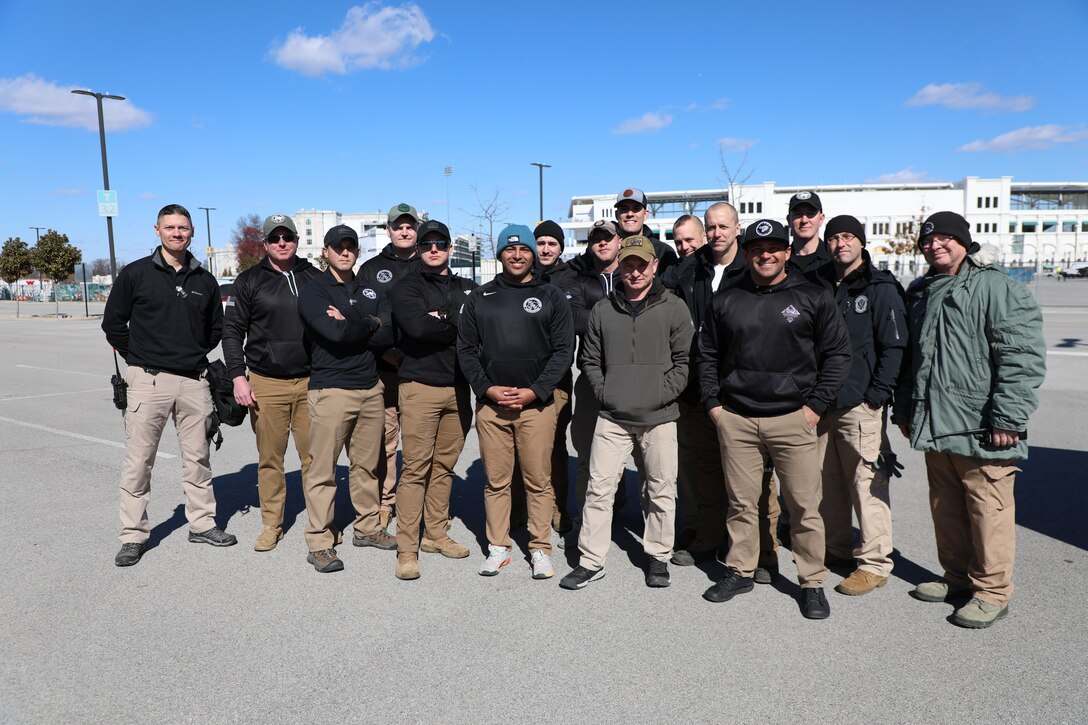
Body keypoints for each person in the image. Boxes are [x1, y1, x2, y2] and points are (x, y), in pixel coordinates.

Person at [893, 211, 1045, 628]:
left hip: (983, 424)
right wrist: (905, 410)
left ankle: (992, 592)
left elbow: (1021, 357)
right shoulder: (922, 292)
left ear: (963, 240)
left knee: (988, 509)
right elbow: (913, 362)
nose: (935, 245)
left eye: (945, 238)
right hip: (937, 422)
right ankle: (957, 577)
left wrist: (1009, 417)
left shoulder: (996, 287)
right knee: (946, 508)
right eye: (928, 240)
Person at [696, 219, 851, 619]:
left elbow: (838, 355)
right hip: (738, 419)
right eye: (757, 248)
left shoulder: (813, 297)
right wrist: (714, 404)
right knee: (742, 503)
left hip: (793, 419)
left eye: (774, 248)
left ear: (786, 252)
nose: (765, 254)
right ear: (746, 254)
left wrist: (815, 406)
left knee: (802, 505)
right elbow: (707, 355)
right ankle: (740, 570)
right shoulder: (726, 299)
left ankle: (812, 581)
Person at [103, 203, 235, 567]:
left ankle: (202, 523)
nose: (177, 233)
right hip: (149, 380)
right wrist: (140, 357)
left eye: (183, 228)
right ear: (157, 230)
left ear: (192, 232)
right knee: (139, 461)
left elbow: (214, 330)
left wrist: (188, 354)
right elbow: (113, 323)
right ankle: (133, 535)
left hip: (194, 381)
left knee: (198, 458)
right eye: (170, 227)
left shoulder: (204, 280)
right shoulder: (136, 274)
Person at [560, 236, 692, 590]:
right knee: (598, 490)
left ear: (654, 266)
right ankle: (591, 560)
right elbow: (589, 359)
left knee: (660, 489)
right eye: (628, 265)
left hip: (659, 417)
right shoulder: (604, 309)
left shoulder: (674, 307)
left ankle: (658, 557)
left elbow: (685, 361)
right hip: (613, 416)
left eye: (641, 265)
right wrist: (608, 394)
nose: (634, 272)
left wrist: (659, 395)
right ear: (620, 267)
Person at [663, 203, 780, 580]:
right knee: (707, 468)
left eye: (722, 226)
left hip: (744, 391)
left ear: (737, 228)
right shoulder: (690, 271)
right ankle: (710, 538)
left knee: (754, 476)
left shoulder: (753, 269)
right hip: (700, 390)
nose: (716, 234)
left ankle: (764, 550)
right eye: (710, 227)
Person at [457, 224, 574, 579]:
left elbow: (563, 351)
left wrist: (535, 391)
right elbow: (466, 350)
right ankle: (498, 547)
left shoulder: (551, 295)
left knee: (538, 481)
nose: (517, 255)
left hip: (536, 408)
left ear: (533, 254)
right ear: (500, 255)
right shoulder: (480, 297)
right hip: (493, 408)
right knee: (496, 481)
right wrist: (487, 390)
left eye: (523, 249)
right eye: (510, 250)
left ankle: (540, 549)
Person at [809, 215, 907, 595]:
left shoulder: (880, 287)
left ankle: (875, 562)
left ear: (861, 242)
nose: (839, 244)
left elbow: (894, 347)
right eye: (833, 238)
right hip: (822, 404)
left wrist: (877, 396)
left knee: (867, 484)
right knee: (827, 483)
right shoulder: (821, 284)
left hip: (859, 405)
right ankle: (837, 547)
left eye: (847, 237)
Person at [297, 225, 396, 573]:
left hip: (371, 388)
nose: (345, 252)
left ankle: (367, 528)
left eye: (350, 247)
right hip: (332, 390)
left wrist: (360, 322)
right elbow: (334, 333)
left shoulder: (370, 289)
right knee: (322, 470)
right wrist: (368, 323)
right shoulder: (313, 292)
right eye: (338, 247)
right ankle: (320, 541)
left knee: (367, 466)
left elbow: (388, 333)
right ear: (326, 251)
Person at [222, 213, 321, 551]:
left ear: (296, 240)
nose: (282, 243)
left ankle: (320, 524)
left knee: (315, 459)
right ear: (265, 243)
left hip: (312, 382)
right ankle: (271, 523)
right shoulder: (249, 280)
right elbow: (233, 331)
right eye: (275, 238)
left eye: (288, 237)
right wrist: (238, 375)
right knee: (270, 460)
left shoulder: (314, 277)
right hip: (266, 383)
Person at [389, 220, 477, 580]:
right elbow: (418, 328)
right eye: (427, 244)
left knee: (444, 466)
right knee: (415, 469)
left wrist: (444, 319)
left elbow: (477, 329)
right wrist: (453, 322)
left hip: (459, 388)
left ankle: (436, 534)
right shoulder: (406, 287)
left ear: (450, 246)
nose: (434, 249)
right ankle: (407, 549)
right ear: (419, 249)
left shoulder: (468, 287)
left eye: (440, 243)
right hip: (420, 386)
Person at [357, 203, 422, 532]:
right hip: (383, 370)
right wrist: (388, 353)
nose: (405, 231)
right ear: (389, 230)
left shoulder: (430, 264)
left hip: (422, 371)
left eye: (410, 226)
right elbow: (363, 320)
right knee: (385, 442)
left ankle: (418, 506)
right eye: (399, 226)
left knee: (420, 443)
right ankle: (384, 504)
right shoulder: (371, 269)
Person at [613, 187, 680, 273]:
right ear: (616, 214)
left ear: (645, 214)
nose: (630, 214)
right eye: (624, 209)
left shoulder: (663, 252)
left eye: (636, 209)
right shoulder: (607, 250)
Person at [786, 191, 829, 274]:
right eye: (798, 214)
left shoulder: (833, 260)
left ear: (821, 219)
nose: (804, 220)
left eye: (810, 214)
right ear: (789, 220)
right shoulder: (780, 262)